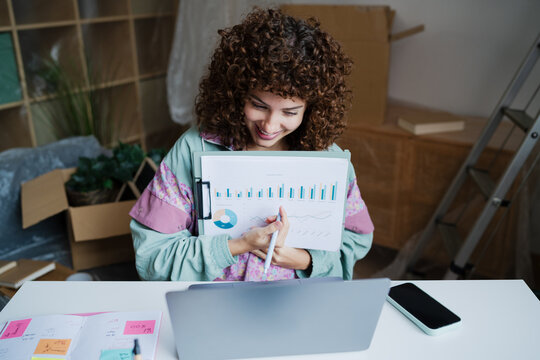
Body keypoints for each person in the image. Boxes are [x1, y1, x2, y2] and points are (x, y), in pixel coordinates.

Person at [129, 8, 374, 281]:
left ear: (312, 109)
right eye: (258, 105)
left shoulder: (329, 161)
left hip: (297, 305)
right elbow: (153, 256)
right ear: (235, 93)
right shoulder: (192, 151)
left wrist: (304, 259)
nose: (270, 126)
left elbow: (356, 239)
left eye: (290, 112)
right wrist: (238, 246)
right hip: (211, 305)